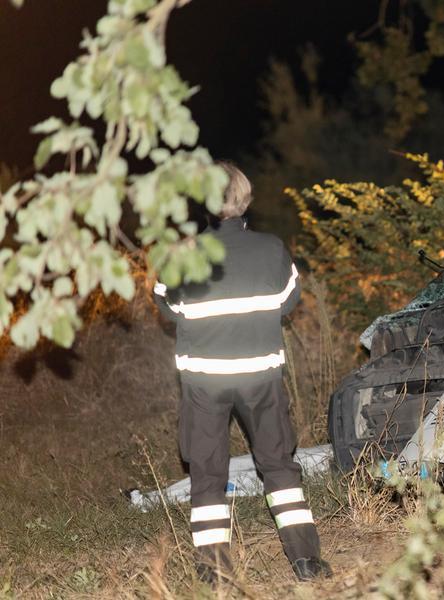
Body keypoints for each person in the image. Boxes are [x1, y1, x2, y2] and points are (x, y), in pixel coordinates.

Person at [153, 162, 332, 583]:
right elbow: (288, 301)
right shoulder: (271, 249)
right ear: (245, 198)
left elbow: (168, 308)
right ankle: (305, 559)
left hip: (204, 382)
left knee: (207, 469)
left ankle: (215, 570)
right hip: (260, 377)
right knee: (278, 464)